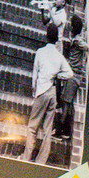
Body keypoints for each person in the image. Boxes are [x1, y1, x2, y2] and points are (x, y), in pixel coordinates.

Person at [23, 22, 73, 162]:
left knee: (33, 127)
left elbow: (35, 74)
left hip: (42, 91)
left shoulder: (40, 52)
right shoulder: (58, 56)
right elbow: (69, 73)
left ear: (46, 37)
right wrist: (57, 76)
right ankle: (41, 161)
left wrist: (35, 90)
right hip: (52, 93)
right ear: (57, 39)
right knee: (47, 129)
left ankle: (26, 158)